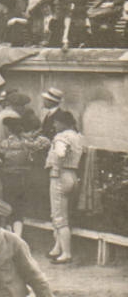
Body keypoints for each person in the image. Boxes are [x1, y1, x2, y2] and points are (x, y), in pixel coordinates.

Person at [44, 110, 86, 263]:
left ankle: (66, 253)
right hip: (73, 175)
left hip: (59, 175)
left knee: (59, 216)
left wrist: (57, 153)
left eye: (56, 122)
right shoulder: (78, 136)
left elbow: (61, 153)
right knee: (64, 212)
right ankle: (58, 247)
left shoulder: (61, 137)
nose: (54, 125)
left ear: (63, 123)